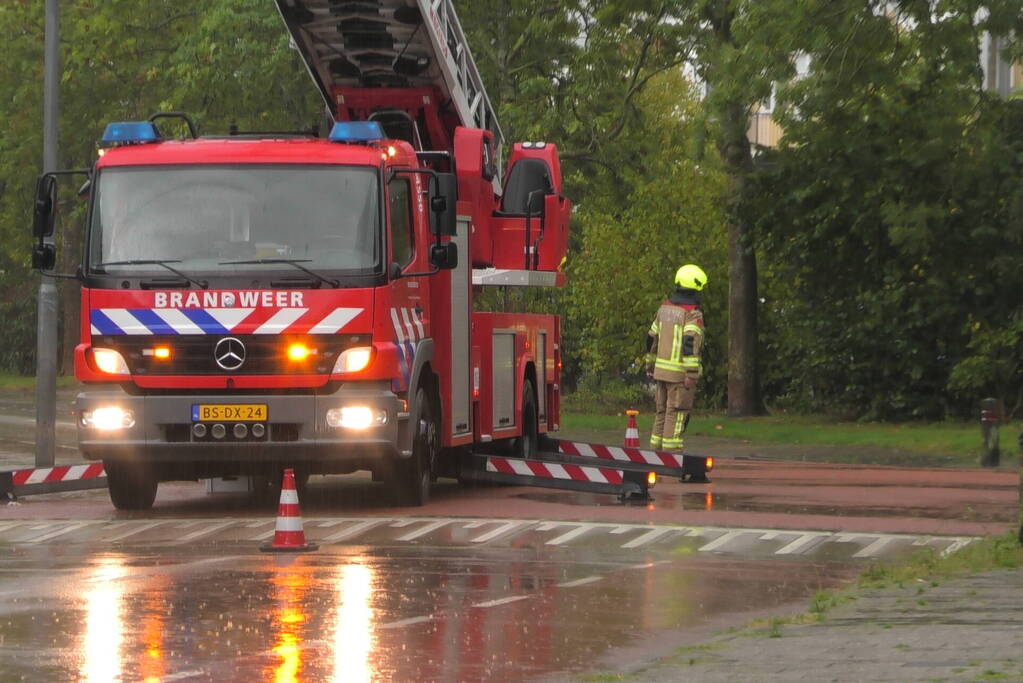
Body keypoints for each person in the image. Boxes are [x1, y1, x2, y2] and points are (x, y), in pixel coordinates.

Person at [645, 264, 707, 453]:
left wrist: (650, 365)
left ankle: (655, 455)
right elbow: (690, 344)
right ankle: (672, 458)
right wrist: (691, 373)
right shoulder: (692, 314)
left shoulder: (664, 308)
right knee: (676, 414)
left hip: (661, 372)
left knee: (661, 412)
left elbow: (651, 338)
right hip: (679, 374)